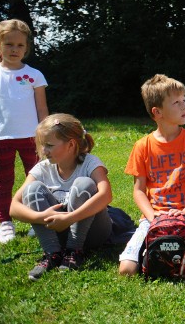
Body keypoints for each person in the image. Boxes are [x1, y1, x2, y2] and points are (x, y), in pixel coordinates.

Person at [118, 74, 185, 276]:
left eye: (184, 101)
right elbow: (139, 190)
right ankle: (161, 246)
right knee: (127, 269)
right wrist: (152, 217)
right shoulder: (142, 146)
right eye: (176, 103)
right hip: (154, 217)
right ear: (157, 112)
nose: (184, 107)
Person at [9, 113, 112, 281]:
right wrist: (40, 217)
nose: (43, 151)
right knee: (32, 190)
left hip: (93, 233)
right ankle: (52, 253)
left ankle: (74, 251)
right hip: (56, 231)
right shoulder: (42, 168)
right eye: (42, 145)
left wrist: (70, 218)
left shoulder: (90, 163)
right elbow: (14, 207)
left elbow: (106, 195)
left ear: (71, 144)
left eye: (49, 145)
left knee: (84, 184)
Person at [0, 19, 49, 244]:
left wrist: (46, 137)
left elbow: (42, 108)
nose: (14, 49)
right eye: (9, 44)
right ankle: (5, 223)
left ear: (26, 48)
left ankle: (36, 220)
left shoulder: (35, 75)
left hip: (32, 139)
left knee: (38, 180)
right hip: (2, 140)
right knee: (4, 181)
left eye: (20, 45)